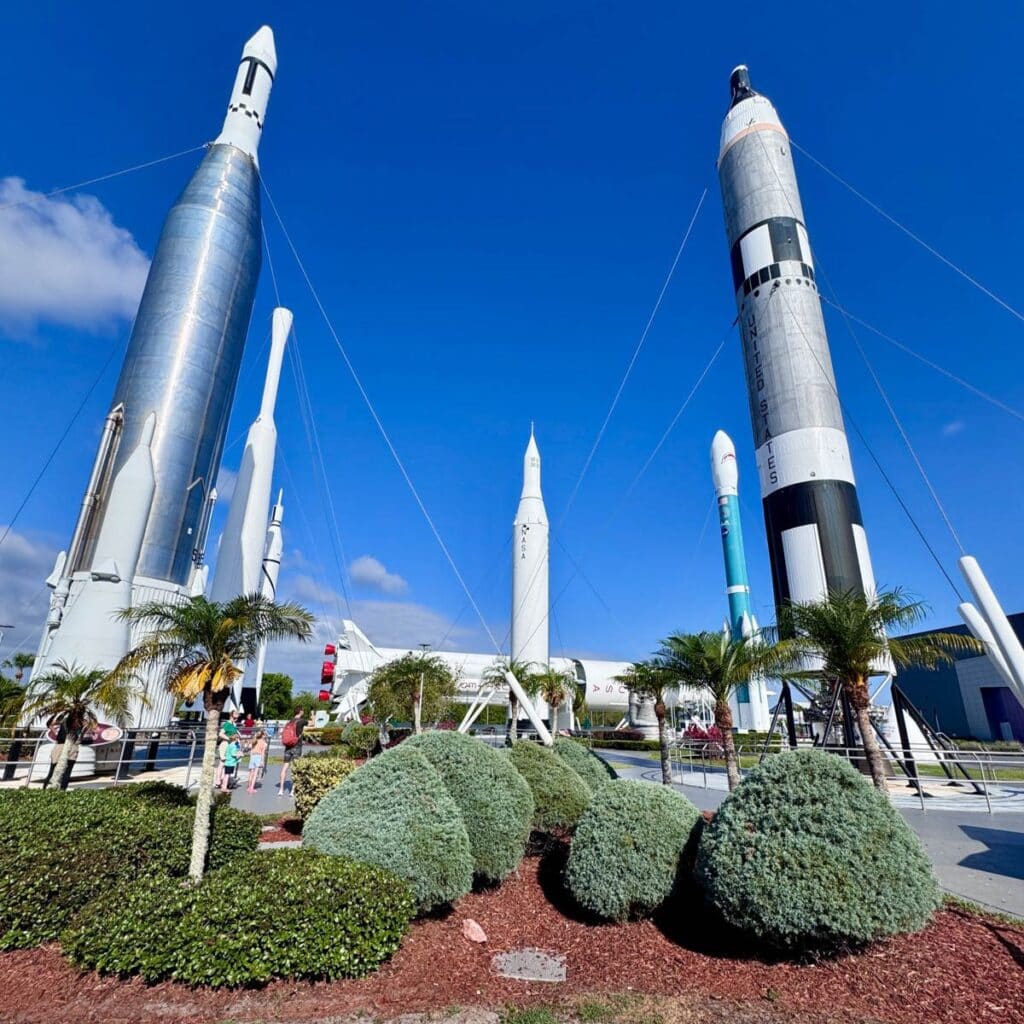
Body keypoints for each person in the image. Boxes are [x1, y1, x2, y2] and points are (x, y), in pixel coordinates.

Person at [42, 717, 80, 790]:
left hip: (69, 745)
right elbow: (49, 723)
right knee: (57, 770)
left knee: (63, 771)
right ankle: (53, 789)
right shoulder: (66, 718)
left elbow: (49, 723)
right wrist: (56, 732)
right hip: (64, 745)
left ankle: (50, 789)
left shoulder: (67, 718)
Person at [277, 708, 306, 796]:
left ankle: (281, 790)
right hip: (297, 746)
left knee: (285, 767)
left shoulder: (289, 722)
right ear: (300, 712)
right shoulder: (301, 721)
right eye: (303, 711)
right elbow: (311, 723)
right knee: (295, 768)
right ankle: (292, 790)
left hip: (288, 746)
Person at [246, 729, 268, 794]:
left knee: (251, 772)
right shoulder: (264, 743)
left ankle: (248, 786)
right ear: (263, 736)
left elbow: (251, 750)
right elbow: (263, 753)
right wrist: (262, 761)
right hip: (258, 757)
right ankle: (252, 788)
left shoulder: (254, 741)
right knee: (255, 773)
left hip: (252, 756)